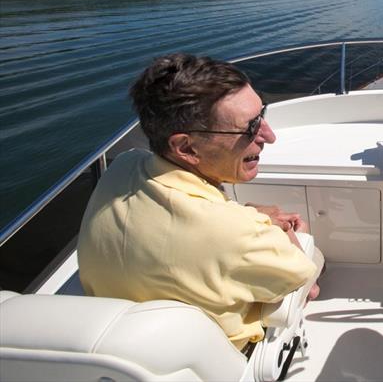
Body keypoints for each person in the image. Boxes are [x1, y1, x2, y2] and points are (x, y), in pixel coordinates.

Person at [77, 53, 323, 351]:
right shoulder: (239, 235)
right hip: (226, 357)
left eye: (262, 115)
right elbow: (303, 280)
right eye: (250, 127)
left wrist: (251, 214)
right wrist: (286, 232)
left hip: (120, 339)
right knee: (312, 258)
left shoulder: (123, 167)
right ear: (186, 147)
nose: (269, 136)